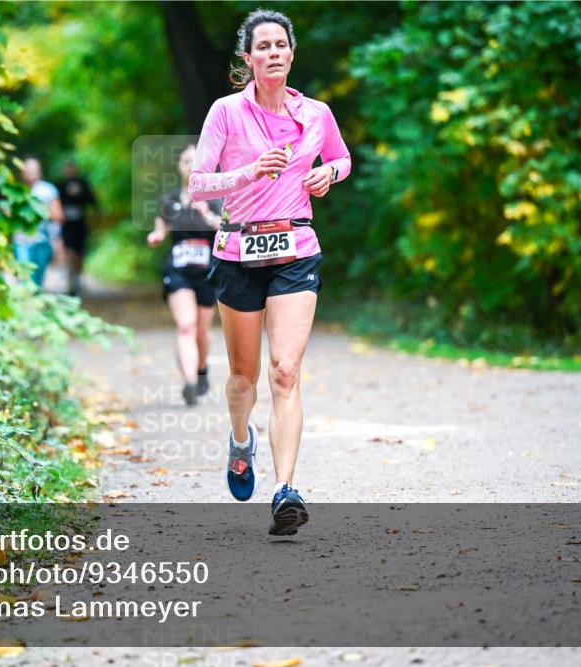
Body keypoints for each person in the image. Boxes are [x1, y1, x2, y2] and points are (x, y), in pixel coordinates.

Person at [189, 9, 351, 535]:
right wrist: (247, 172)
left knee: (285, 371)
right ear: (248, 57)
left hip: (296, 247)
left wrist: (327, 171)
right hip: (238, 251)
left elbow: (342, 159)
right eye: (263, 46)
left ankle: (286, 490)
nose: (274, 53)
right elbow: (198, 184)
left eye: (281, 44)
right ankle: (241, 443)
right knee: (244, 378)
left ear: (292, 52)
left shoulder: (316, 114)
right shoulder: (225, 113)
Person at [147, 144, 221, 407]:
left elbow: (228, 230)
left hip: (207, 273)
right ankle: (189, 382)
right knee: (186, 326)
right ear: (179, 165)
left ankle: (202, 370)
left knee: (202, 332)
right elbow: (161, 228)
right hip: (178, 271)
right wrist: (156, 236)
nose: (191, 165)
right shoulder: (169, 201)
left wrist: (209, 217)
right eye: (186, 160)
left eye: (196, 160)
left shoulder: (215, 198)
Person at [14, 157, 63, 288]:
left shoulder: (48, 190)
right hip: (21, 240)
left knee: (37, 279)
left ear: (39, 172)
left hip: (42, 240)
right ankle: (25, 303)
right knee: (24, 276)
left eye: (33, 170)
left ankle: (34, 303)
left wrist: (39, 211)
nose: (30, 173)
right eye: (27, 170)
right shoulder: (16, 190)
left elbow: (59, 216)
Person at [57, 160, 98, 297]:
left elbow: (93, 201)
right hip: (66, 224)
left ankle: (78, 277)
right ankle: (70, 281)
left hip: (80, 224)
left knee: (80, 252)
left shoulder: (83, 184)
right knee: (69, 252)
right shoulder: (61, 186)